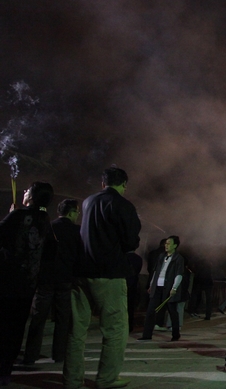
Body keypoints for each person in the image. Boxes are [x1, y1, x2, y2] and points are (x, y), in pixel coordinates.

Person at [64, 167, 141, 389]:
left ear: (102, 183)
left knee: (76, 331)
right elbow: (130, 241)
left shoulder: (88, 202)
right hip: (109, 273)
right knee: (115, 328)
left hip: (82, 271)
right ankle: (107, 378)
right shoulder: (123, 205)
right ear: (124, 184)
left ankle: (71, 380)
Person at [0, 181, 54, 386]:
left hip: (6, 281)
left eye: (27, 190)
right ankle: (5, 372)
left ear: (32, 196)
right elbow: (49, 252)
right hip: (28, 285)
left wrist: (12, 215)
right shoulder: (45, 221)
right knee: (15, 330)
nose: (24, 192)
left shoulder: (18, 216)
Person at [24, 199, 82, 365]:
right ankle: (59, 354)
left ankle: (30, 355)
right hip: (65, 279)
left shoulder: (49, 227)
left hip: (45, 279)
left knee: (38, 318)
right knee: (63, 319)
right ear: (72, 212)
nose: (77, 215)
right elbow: (80, 256)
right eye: (77, 212)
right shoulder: (77, 231)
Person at [139, 235, 185, 342]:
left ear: (175, 245)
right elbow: (156, 272)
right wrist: (152, 284)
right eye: (166, 243)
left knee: (172, 312)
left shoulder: (178, 258)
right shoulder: (161, 256)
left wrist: (174, 288)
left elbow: (179, 274)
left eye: (169, 243)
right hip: (157, 287)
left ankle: (175, 334)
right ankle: (146, 335)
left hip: (168, 288)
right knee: (150, 311)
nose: (166, 245)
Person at [188, 256, 214, 320]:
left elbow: (196, 273)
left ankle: (192, 311)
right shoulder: (209, 266)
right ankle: (208, 315)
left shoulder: (199, 265)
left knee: (195, 297)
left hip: (199, 282)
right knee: (208, 300)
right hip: (208, 283)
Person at [125, 251, 143, 332]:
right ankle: (129, 326)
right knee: (131, 306)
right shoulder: (138, 258)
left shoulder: (123, 257)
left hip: (124, 283)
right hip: (133, 284)